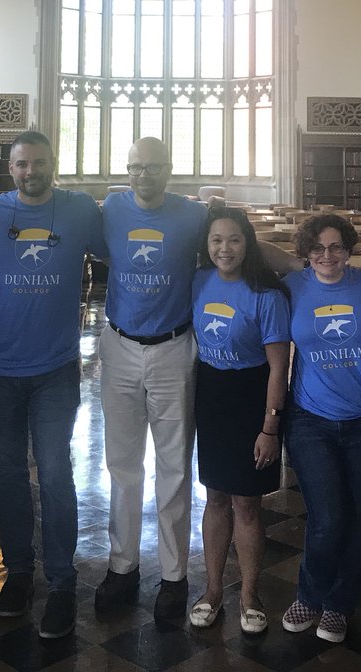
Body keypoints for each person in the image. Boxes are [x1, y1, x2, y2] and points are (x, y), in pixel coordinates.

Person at [0, 130, 108, 639]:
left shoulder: (80, 210)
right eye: (22, 164)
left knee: (53, 472)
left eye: (39, 163)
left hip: (55, 368)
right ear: (10, 167)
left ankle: (63, 583)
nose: (31, 171)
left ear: (53, 164)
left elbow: (126, 259)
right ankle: (20, 572)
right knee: (7, 475)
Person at [96, 136, 206, 620]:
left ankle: (174, 575)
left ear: (169, 168)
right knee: (122, 463)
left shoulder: (193, 215)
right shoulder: (110, 210)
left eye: (154, 167)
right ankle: (122, 567)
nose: (145, 175)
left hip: (174, 347)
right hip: (119, 346)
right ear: (127, 169)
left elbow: (236, 245)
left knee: (174, 466)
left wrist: (300, 266)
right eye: (137, 167)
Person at [281, 213, 361, 646]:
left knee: (360, 515)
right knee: (327, 517)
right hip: (312, 418)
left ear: (348, 249)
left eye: (336, 247)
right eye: (318, 248)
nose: (327, 255)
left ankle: (340, 603)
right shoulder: (292, 289)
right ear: (306, 251)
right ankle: (310, 594)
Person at [188, 207, 290, 635]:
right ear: (206, 245)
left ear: (248, 243)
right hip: (211, 394)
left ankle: (249, 594)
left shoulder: (267, 295)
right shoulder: (198, 281)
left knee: (247, 503)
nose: (224, 248)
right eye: (216, 240)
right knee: (214, 497)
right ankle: (212, 590)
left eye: (234, 239)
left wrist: (270, 428)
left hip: (253, 396)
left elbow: (278, 368)